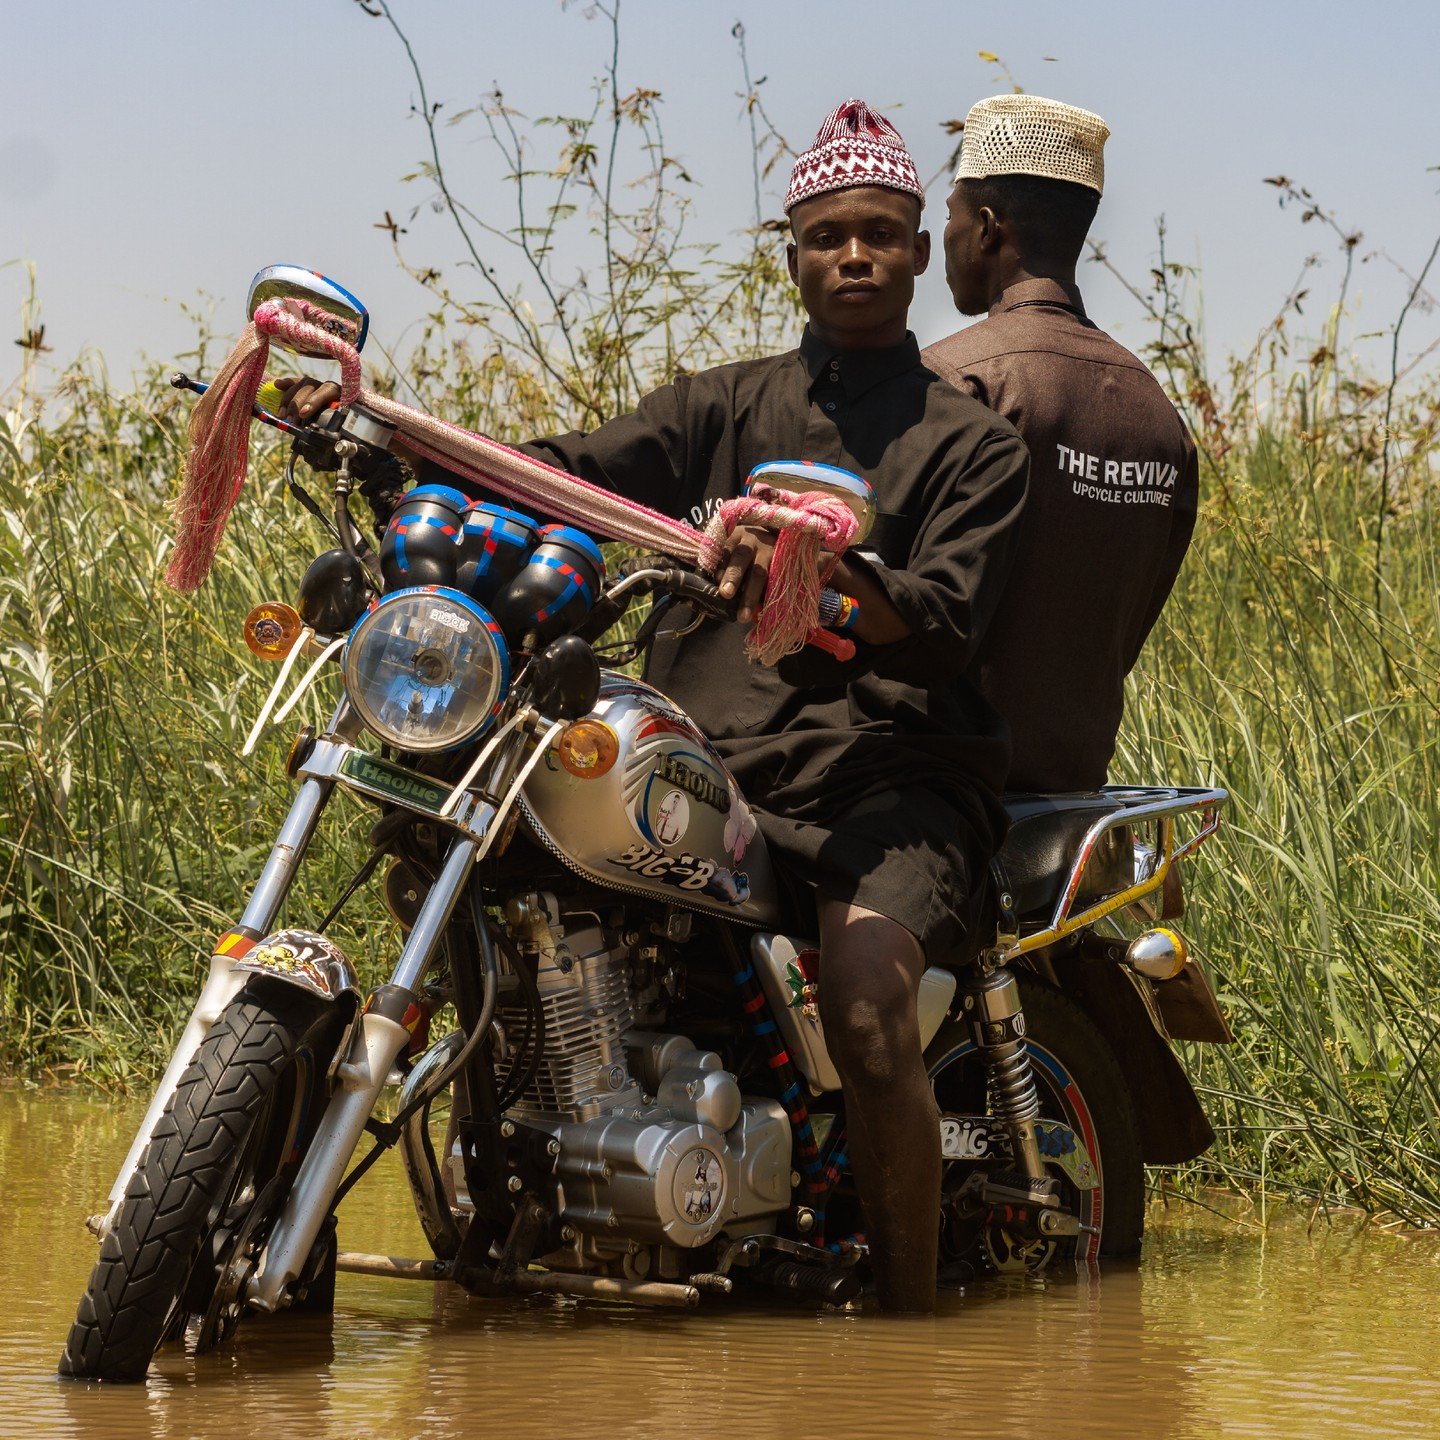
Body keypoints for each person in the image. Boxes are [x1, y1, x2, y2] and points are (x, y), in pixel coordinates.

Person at [280, 99, 1030, 1311]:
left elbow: (946, 612)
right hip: (705, 760)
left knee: (872, 1011)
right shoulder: (721, 405)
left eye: (882, 235)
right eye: (828, 233)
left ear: (916, 254)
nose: (854, 256)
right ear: (790, 252)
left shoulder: (971, 446)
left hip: (885, 775)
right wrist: (388, 442)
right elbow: (567, 468)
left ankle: (906, 1341)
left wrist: (836, 576)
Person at [923, 95, 1199, 794]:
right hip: (1076, 791)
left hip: (937, 795)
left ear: (985, 228)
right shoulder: (1157, 414)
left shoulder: (955, 380)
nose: (945, 238)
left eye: (950, 217)